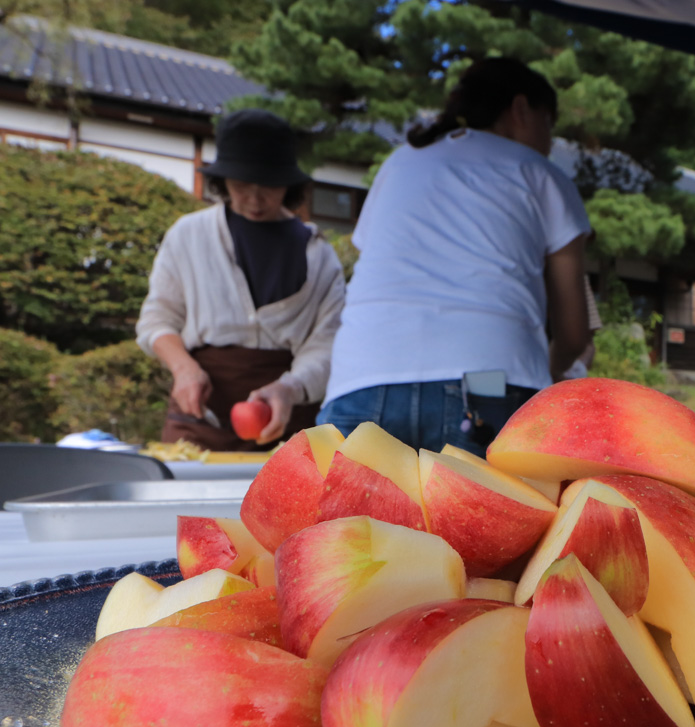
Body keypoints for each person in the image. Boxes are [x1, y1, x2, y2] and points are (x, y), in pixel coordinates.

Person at [317, 57, 591, 456]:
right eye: (549, 124)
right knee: (486, 518)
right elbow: (573, 334)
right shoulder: (539, 172)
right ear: (520, 108)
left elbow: (373, 258)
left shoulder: (399, 162)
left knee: (347, 520)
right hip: (488, 378)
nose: (550, 141)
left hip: (362, 377)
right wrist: (545, 369)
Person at [136, 109, 346, 451]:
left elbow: (327, 344)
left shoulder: (319, 254)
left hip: (286, 420)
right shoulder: (189, 235)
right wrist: (184, 368)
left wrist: (289, 389)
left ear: (289, 183)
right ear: (222, 180)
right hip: (201, 418)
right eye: (241, 184)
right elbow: (157, 320)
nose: (254, 198)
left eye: (268, 186)